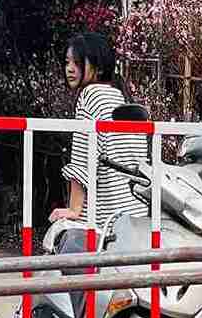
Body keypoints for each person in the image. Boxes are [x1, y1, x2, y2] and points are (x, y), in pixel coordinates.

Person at [50, 32, 147, 233]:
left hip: (103, 214)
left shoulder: (89, 96)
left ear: (99, 67)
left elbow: (82, 157)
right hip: (135, 210)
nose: (69, 69)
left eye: (77, 63)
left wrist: (74, 209)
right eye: (67, 62)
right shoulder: (118, 96)